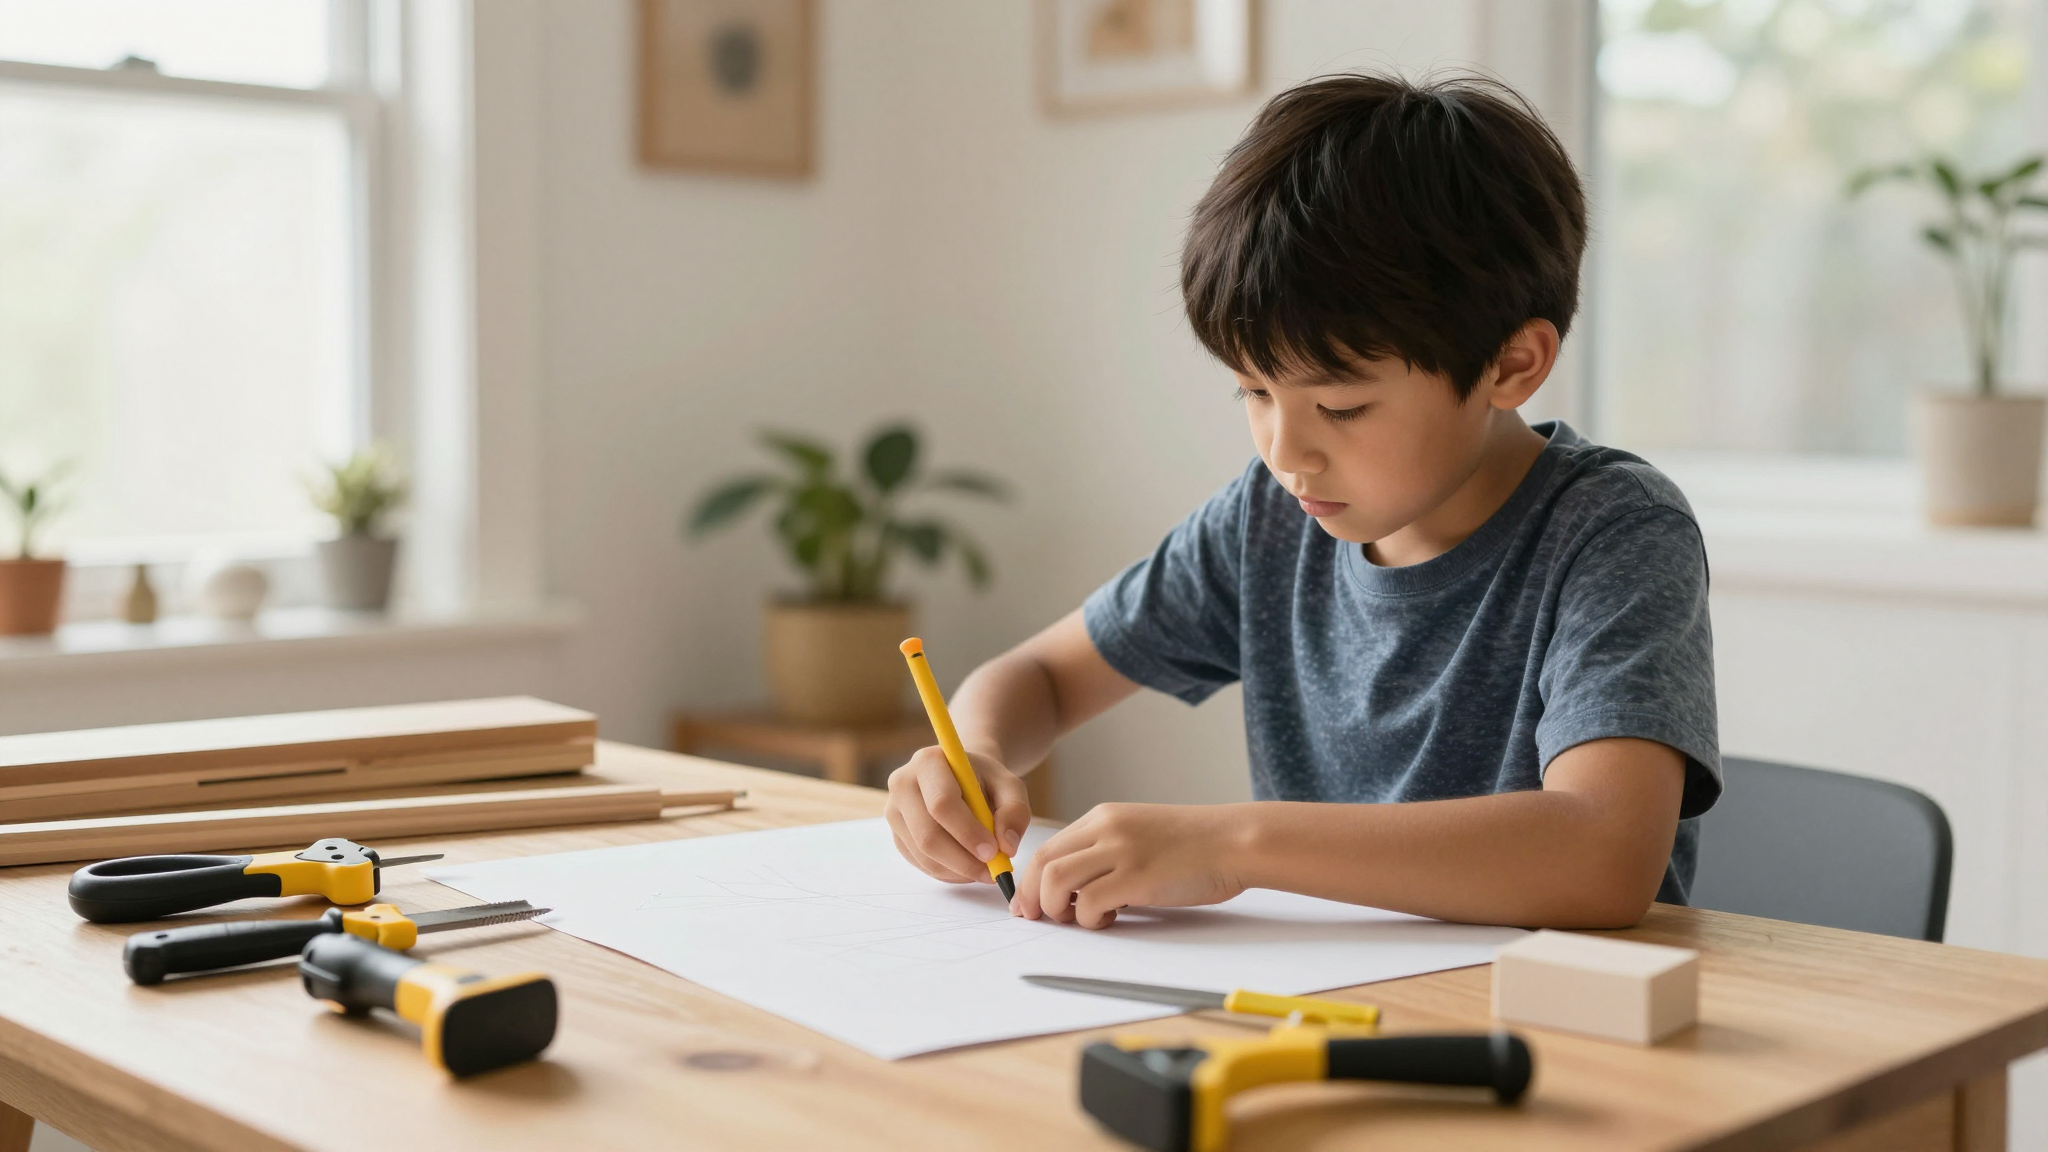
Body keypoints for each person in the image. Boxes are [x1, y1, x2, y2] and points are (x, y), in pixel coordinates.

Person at [884, 72, 1719, 931]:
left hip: (1558, 1005)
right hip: (1319, 995)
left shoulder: (1614, 531)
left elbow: (1602, 854)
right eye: (1253, 391)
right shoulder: (1271, 521)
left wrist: (1231, 844)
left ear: (1511, 366)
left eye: (1341, 407)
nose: (1284, 454)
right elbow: (1043, 678)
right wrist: (974, 753)